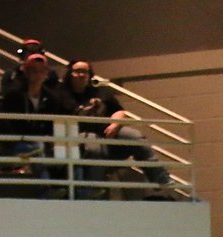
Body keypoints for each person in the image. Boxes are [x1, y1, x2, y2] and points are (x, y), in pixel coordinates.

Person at [62, 59, 174, 191]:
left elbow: (119, 110)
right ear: (70, 73)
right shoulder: (62, 94)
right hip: (80, 135)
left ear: (90, 74)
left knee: (135, 137)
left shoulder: (100, 92)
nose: (81, 75)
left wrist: (115, 124)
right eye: (77, 71)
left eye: (85, 72)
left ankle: (160, 178)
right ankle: (95, 191)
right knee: (94, 148)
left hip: (107, 131)